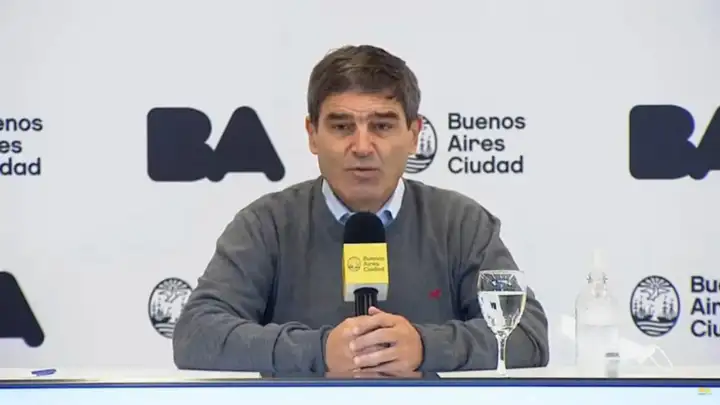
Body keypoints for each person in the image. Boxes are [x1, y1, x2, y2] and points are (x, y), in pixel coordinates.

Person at [172, 45, 549, 374]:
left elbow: (527, 334)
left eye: (382, 126)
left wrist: (425, 347)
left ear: (414, 135)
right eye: (342, 127)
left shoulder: (460, 223)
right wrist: (319, 351)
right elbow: (197, 334)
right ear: (312, 135)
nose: (363, 147)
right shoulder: (266, 225)